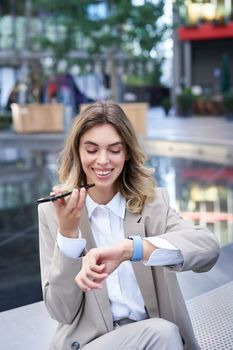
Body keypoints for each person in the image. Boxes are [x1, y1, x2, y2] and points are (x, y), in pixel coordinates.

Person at [38, 101, 220, 350]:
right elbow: (60, 311)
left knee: (162, 333)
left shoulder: (153, 204)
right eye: (91, 150)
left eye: (114, 150)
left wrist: (132, 250)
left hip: (155, 341)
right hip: (92, 344)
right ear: (77, 152)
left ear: (127, 153)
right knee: (163, 333)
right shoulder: (52, 212)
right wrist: (68, 234)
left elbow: (208, 247)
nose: (103, 161)